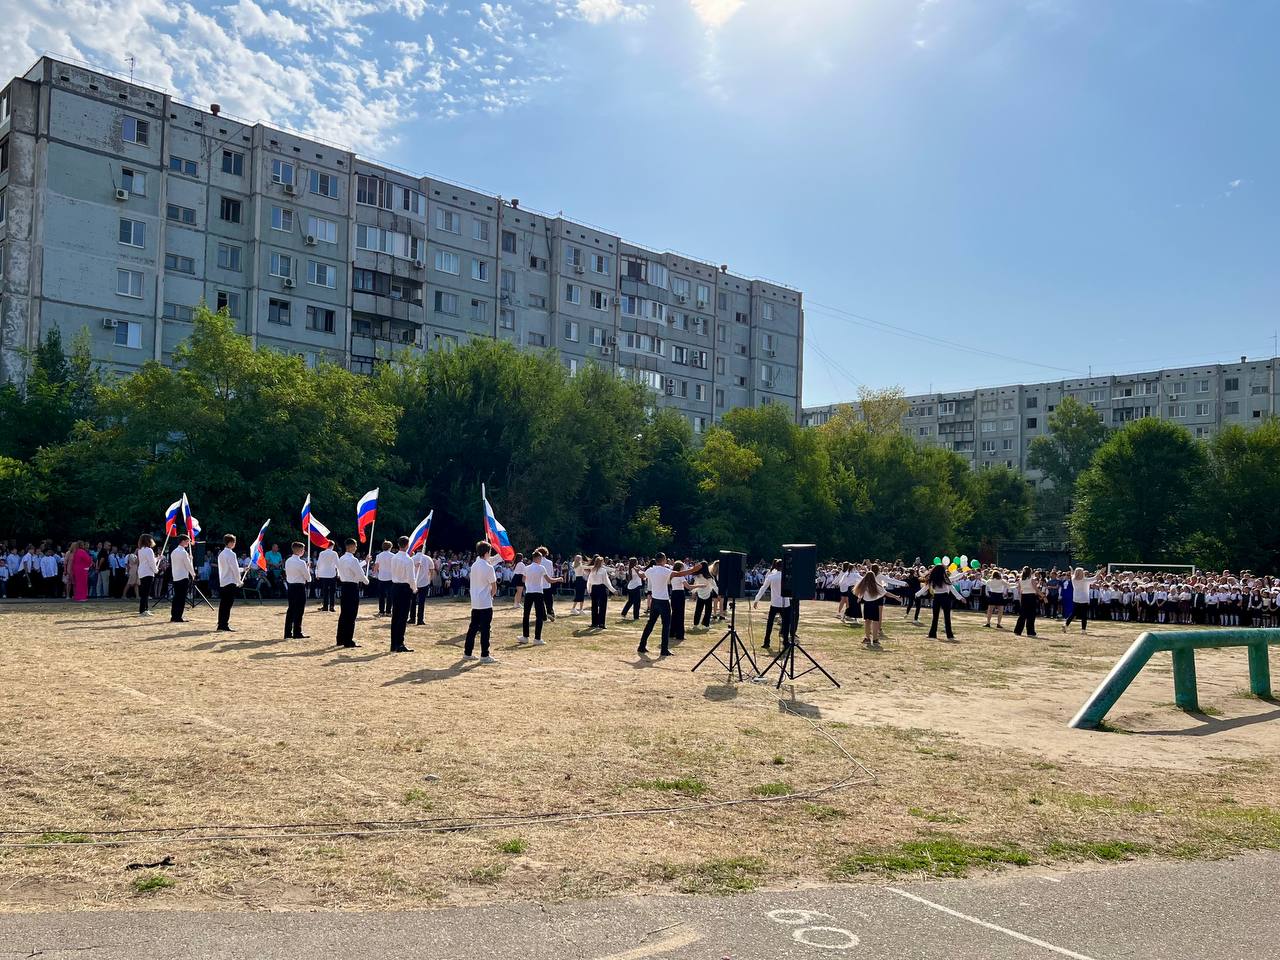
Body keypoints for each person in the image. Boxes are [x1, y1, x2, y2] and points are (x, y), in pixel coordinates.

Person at [638, 554, 706, 658]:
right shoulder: (665, 571)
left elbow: (641, 575)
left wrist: (637, 570)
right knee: (666, 626)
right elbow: (680, 573)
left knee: (650, 624)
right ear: (664, 560)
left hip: (655, 601)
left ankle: (642, 646)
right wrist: (694, 569)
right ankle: (664, 650)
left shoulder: (650, 570)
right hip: (663, 601)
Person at [464, 540, 499, 663]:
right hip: (485, 602)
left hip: (475, 602)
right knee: (485, 629)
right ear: (486, 553)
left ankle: (467, 652)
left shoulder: (474, 565)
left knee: (473, 628)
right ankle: (485, 655)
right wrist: (491, 596)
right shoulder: (488, 567)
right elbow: (494, 587)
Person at [520, 547, 559, 646]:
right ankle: (537, 638)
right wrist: (558, 579)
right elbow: (549, 580)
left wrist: (530, 581)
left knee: (526, 615)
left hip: (529, 592)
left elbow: (523, 580)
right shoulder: (541, 568)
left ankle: (525, 637)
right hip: (538, 592)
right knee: (539, 616)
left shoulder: (526, 568)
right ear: (538, 558)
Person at [752, 559, 792, 651]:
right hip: (785, 604)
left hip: (774, 603)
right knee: (786, 623)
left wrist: (756, 599)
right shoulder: (787, 577)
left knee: (770, 623)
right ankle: (786, 642)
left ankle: (766, 642)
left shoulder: (771, 576)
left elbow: (763, 588)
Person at [335, 539, 368, 648]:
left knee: (344, 614)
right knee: (351, 615)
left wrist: (365, 562)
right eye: (355, 546)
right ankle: (348, 640)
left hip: (344, 586)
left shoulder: (341, 558)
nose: (356, 548)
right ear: (351, 546)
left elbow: (352, 568)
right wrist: (366, 581)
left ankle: (340, 639)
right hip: (352, 587)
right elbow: (359, 573)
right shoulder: (353, 560)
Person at [853, 564, 896, 648]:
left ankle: (867, 638)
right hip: (875, 604)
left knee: (867, 622)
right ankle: (875, 639)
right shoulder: (876, 585)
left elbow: (860, 593)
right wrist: (896, 597)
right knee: (875, 622)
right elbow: (886, 593)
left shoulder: (864, 584)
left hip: (867, 604)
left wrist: (859, 598)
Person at [919, 563, 964, 641]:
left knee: (935, 617)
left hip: (936, 598)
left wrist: (917, 594)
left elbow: (925, 588)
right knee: (947, 617)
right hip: (945, 598)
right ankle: (949, 635)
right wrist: (960, 597)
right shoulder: (945, 579)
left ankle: (932, 634)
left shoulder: (933, 579)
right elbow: (952, 588)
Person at [388, 535, 417, 653]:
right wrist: (414, 588)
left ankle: (393, 644)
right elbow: (411, 577)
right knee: (403, 616)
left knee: (395, 616)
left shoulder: (394, 557)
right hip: (405, 588)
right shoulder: (408, 559)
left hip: (395, 586)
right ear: (407, 545)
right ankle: (399, 643)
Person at [283, 542, 310, 639]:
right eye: (302, 550)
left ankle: (287, 632)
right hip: (299, 587)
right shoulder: (301, 562)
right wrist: (307, 568)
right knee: (299, 610)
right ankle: (297, 632)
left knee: (291, 609)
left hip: (291, 586)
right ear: (299, 550)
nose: (303, 551)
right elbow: (308, 578)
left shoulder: (288, 561)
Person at [216, 534, 241, 632]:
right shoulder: (231, 554)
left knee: (223, 604)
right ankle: (224, 624)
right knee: (227, 605)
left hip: (224, 581)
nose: (234, 544)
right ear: (230, 543)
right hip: (230, 581)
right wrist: (239, 580)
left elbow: (231, 568)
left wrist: (243, 569)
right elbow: (234, 569)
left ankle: (221, 623)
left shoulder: (221, 554)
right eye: (234, 542)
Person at [1062, 568, 1099, 632]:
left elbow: (1072, 574)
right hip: (1084, 599)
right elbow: (1095, 578)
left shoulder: (1073, 579)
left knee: (1073, 613)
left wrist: (1071, 569)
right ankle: (1083, 630)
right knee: (1084, 615)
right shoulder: (1085, 580)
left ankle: (1066, 625)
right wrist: (1100, 572)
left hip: (1076, 598)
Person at [169, 535, 196, 623]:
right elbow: (188, 565)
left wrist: (189, 558)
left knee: (176, 597)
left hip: (176, 576)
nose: (188, 543)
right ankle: (178, 617)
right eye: (187, 541)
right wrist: (193, 573)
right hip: (183, 577)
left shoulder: (174, 552)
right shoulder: (183, 552)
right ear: (183, 541)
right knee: (181, 598)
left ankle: (174, 616)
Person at [586, 554, 616, 630]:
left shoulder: (592, 570)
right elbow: (606, 582)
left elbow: (589, 581)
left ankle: (594, 623)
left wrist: (589, 590)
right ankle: (601, 623)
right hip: (601, 588)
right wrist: (613, 590)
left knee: (594, 606)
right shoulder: (603, 570)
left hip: (594, 588)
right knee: (602, 606)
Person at [1013, 566, 1043, 638]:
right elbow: (1036, 589)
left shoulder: (1020, 580)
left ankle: (1018, 630)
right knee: (1031, 615)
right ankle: (1030, 632)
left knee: (1022, 615)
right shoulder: (1032, 580)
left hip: (1024, 597)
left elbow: (1020, 591)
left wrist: (1020, 600)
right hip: (1031, 597)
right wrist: (1043, 596)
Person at [315, 540, 340, 612]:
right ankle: (332, 607)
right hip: (332, 574)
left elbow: (318, 564)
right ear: (332, 546)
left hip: (323, 574)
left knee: (325, 591)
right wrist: (339, 573)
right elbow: (338, 564)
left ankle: (325, 607)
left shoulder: (321, 553)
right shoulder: (334, 553)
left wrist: (317, 573)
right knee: (332, 592)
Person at [692, 561, 718, 629]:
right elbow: (714, 586)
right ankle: (706, 624)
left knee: (698, 610)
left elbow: (695, 585)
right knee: (708, 610)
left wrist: (693, 593)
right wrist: (719, 593)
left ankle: (695, 624)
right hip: (708, 594)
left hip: (700, 594)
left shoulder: (697, 576)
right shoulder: (709, 577)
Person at [136, 535, 158, 616]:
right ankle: (143, 610)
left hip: (142, 572)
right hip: (148, 572)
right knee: (146, 593)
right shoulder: (149, 550)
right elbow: (151, 563)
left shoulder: (141, 550)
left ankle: (145, 609)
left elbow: (149, 560)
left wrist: (157, 559)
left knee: (144, 592)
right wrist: (156, 570)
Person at [413, 550, 435, 625]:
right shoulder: (428, 558)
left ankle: (412, 618)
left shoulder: (412, 558)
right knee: (421, 602)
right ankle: (420, 619)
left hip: (414, 582)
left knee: (413, 601)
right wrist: (429, 580)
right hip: (424, 582)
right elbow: (431, 570)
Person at [374, 540, 395, 616]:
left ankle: (381, 611)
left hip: (381, 577)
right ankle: (388, 611)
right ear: (390, 547)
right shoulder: (393, 556)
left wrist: (375, 574)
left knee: (381, 596)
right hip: (390, 577)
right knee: (390, 595)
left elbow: (376, 566)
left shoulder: (379, 555)